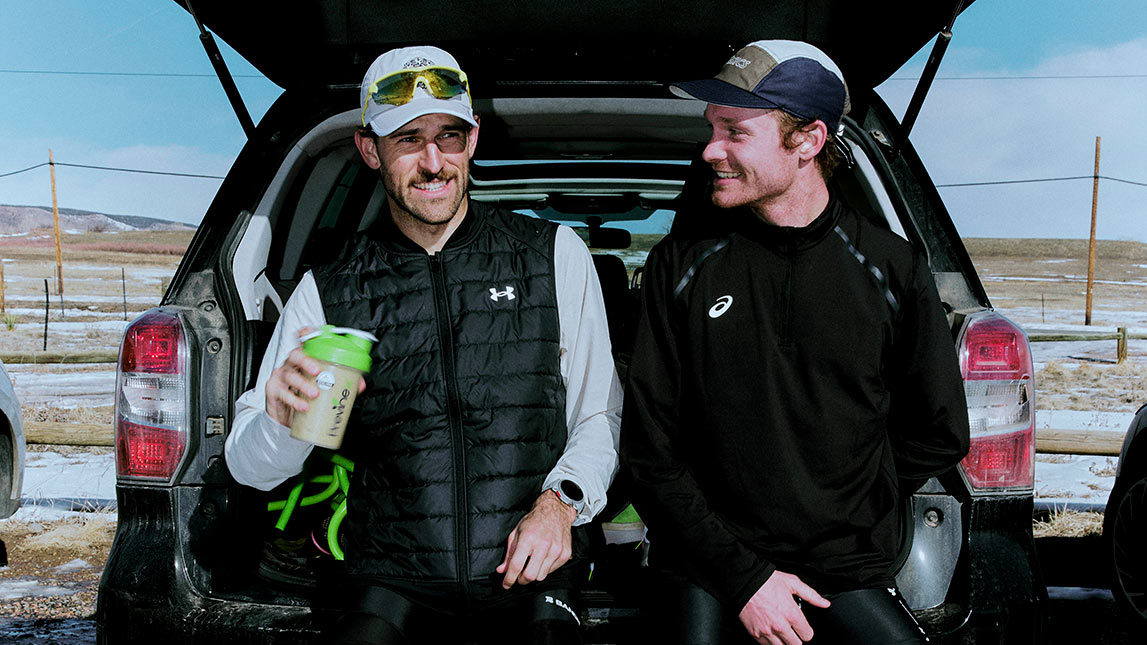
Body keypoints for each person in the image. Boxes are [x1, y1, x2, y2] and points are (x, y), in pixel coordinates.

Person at [225, 45, 622, 645]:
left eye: (449, 136)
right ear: (370, 150)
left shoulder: (551, 255)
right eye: (408, 138)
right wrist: (283, 421)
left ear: (473, 140)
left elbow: (599, 413)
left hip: (532, 569)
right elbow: (249, 468)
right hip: (388, 576)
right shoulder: (329, 289)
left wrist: (561, 506)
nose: (433, 161)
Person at [621, 40, 970, 645]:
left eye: (735, 131)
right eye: (712, 128)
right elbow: (651, 455)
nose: (710, 150)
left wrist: (850, 503)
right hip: (707, 565)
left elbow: (939, 430)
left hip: (843, 570)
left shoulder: (891, 269)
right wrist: (749, 578)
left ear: (806, 141)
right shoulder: (683, 266)